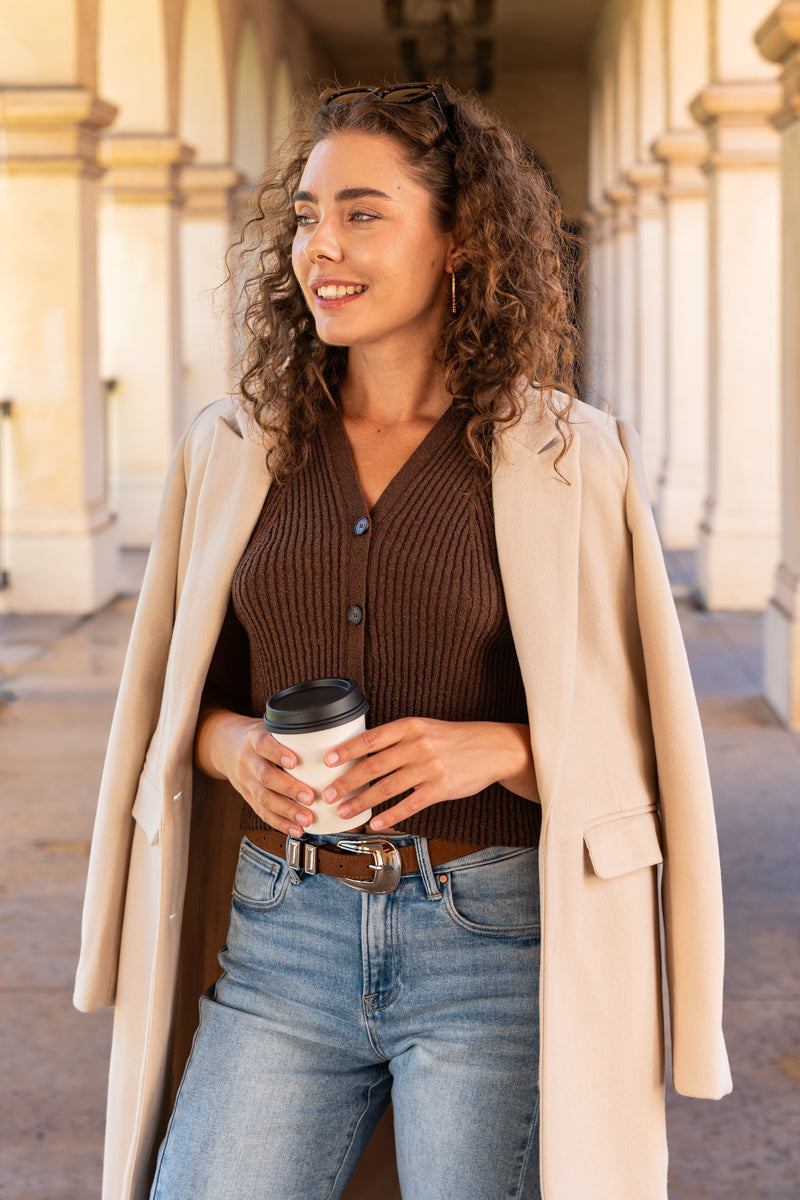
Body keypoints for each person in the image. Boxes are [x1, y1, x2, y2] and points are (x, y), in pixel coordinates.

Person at [74, 81, 731, 1200]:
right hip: (281, 935)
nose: (318, 246)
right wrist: (235, 749)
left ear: (460, 240)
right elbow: (178, 705)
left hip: (493, 943)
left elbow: (646, 744)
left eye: (362, 213)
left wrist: (500, 751)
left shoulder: (572, 461)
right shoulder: (234, 449)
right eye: (304, 215)